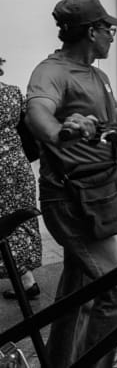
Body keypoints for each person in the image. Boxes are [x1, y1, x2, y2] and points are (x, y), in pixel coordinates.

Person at [24, 0, 117, 367]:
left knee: (79, 291)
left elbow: (112, 114)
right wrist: (61, 133)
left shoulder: (99, 75)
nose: (112, 35)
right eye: (108, 29)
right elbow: (38, 115)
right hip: (71, 200)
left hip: (99, 194)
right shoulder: (52, 72)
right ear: (91, 31)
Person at [0, 56, 42, 300]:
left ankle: (23, 278)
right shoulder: (14, 93)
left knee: (3, 222)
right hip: (18, 165)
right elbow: (30, 124)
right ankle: (27, 281)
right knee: (22, 217)